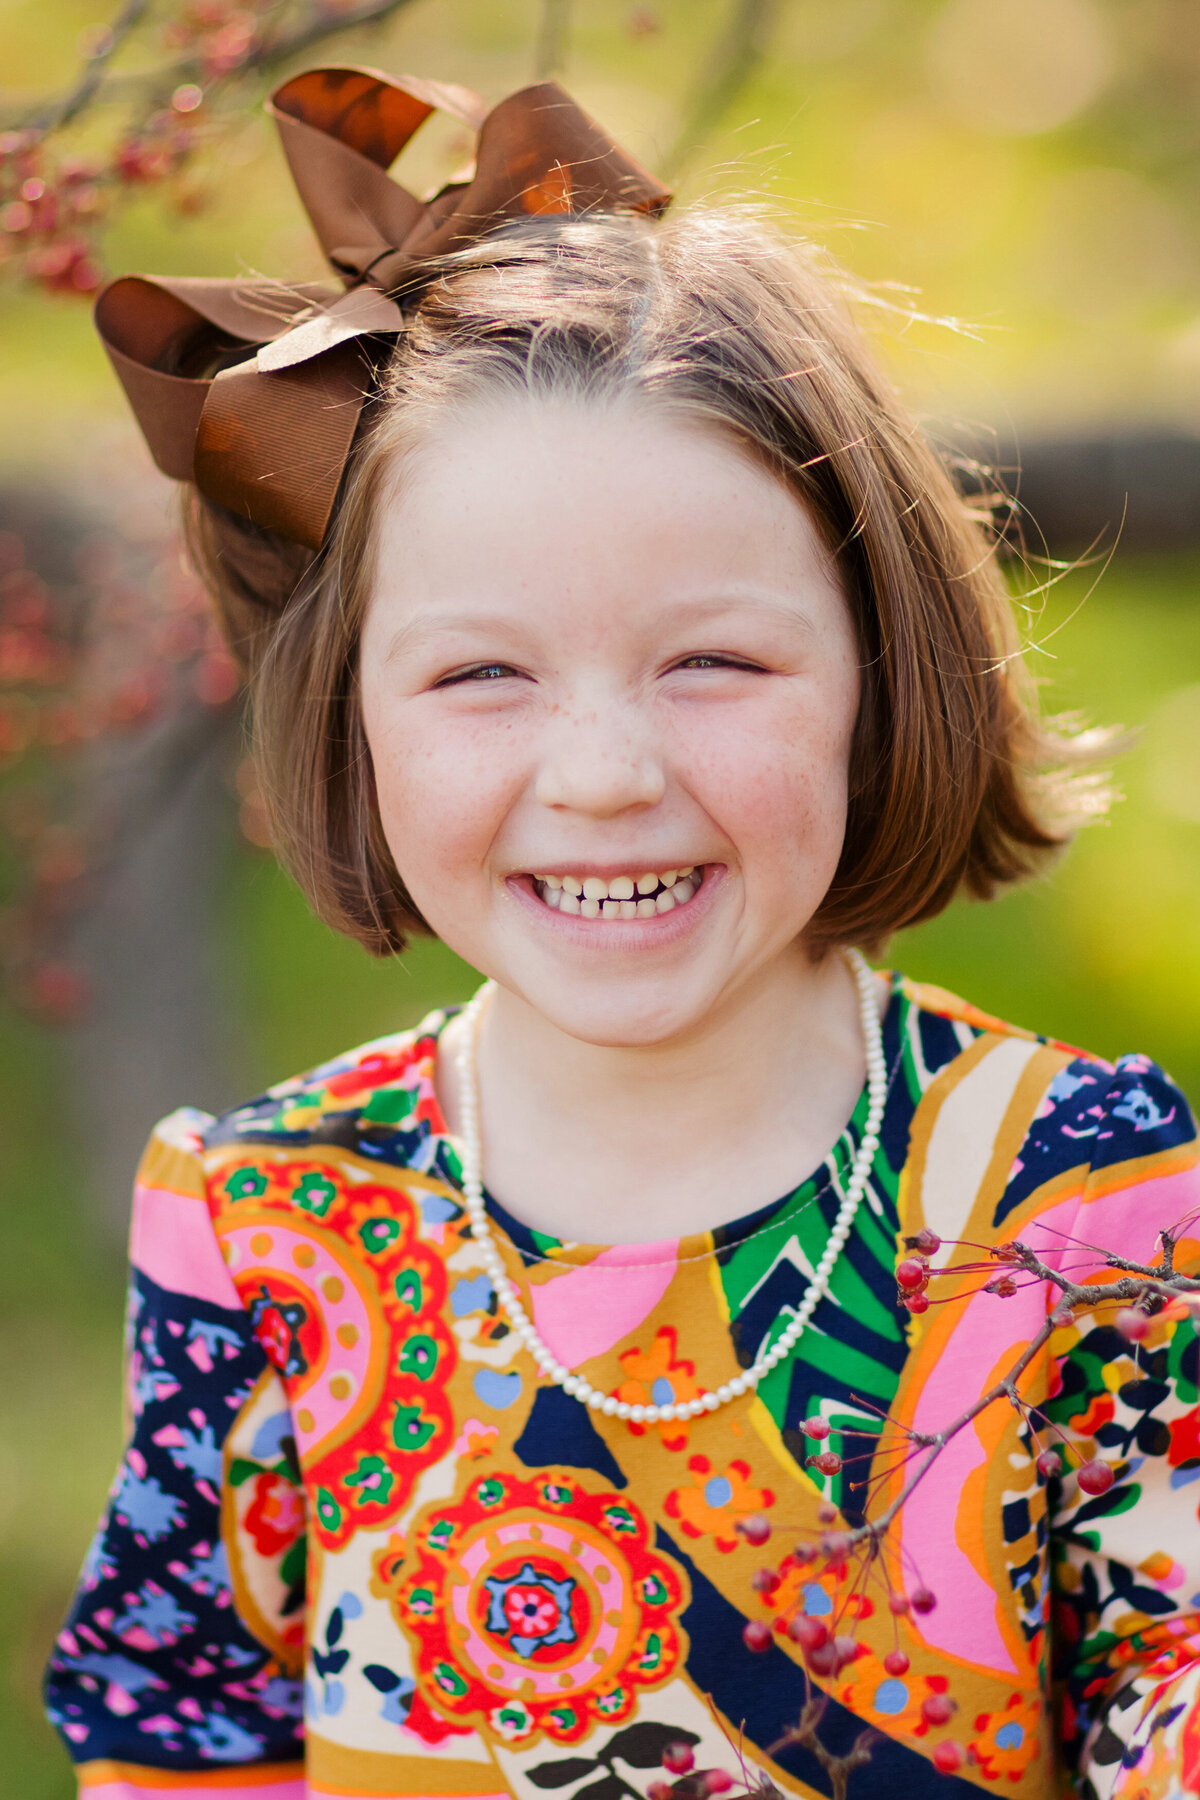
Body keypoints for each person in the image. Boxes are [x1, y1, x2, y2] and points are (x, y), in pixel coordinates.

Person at [45, 64, 1200, 1800]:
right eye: (481, 673)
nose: (600, 774)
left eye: (713, 662)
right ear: (352, 712)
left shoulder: (1079, 1206)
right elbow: (180, 1754)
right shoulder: (264, 1228)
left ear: (886, 675)